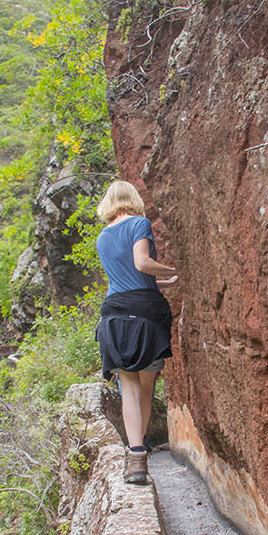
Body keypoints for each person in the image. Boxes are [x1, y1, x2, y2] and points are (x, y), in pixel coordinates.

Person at [94, 180, 178, 485]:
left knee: (126, 386)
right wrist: (170, 270)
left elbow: (125, 276)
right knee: (146, 387)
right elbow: (142, 264)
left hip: (114, 313)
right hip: (145, 312)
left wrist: (161, 282)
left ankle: (136, 460)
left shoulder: (103, 237)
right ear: (133, 199)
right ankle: (140, 454)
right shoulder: (139, 224)